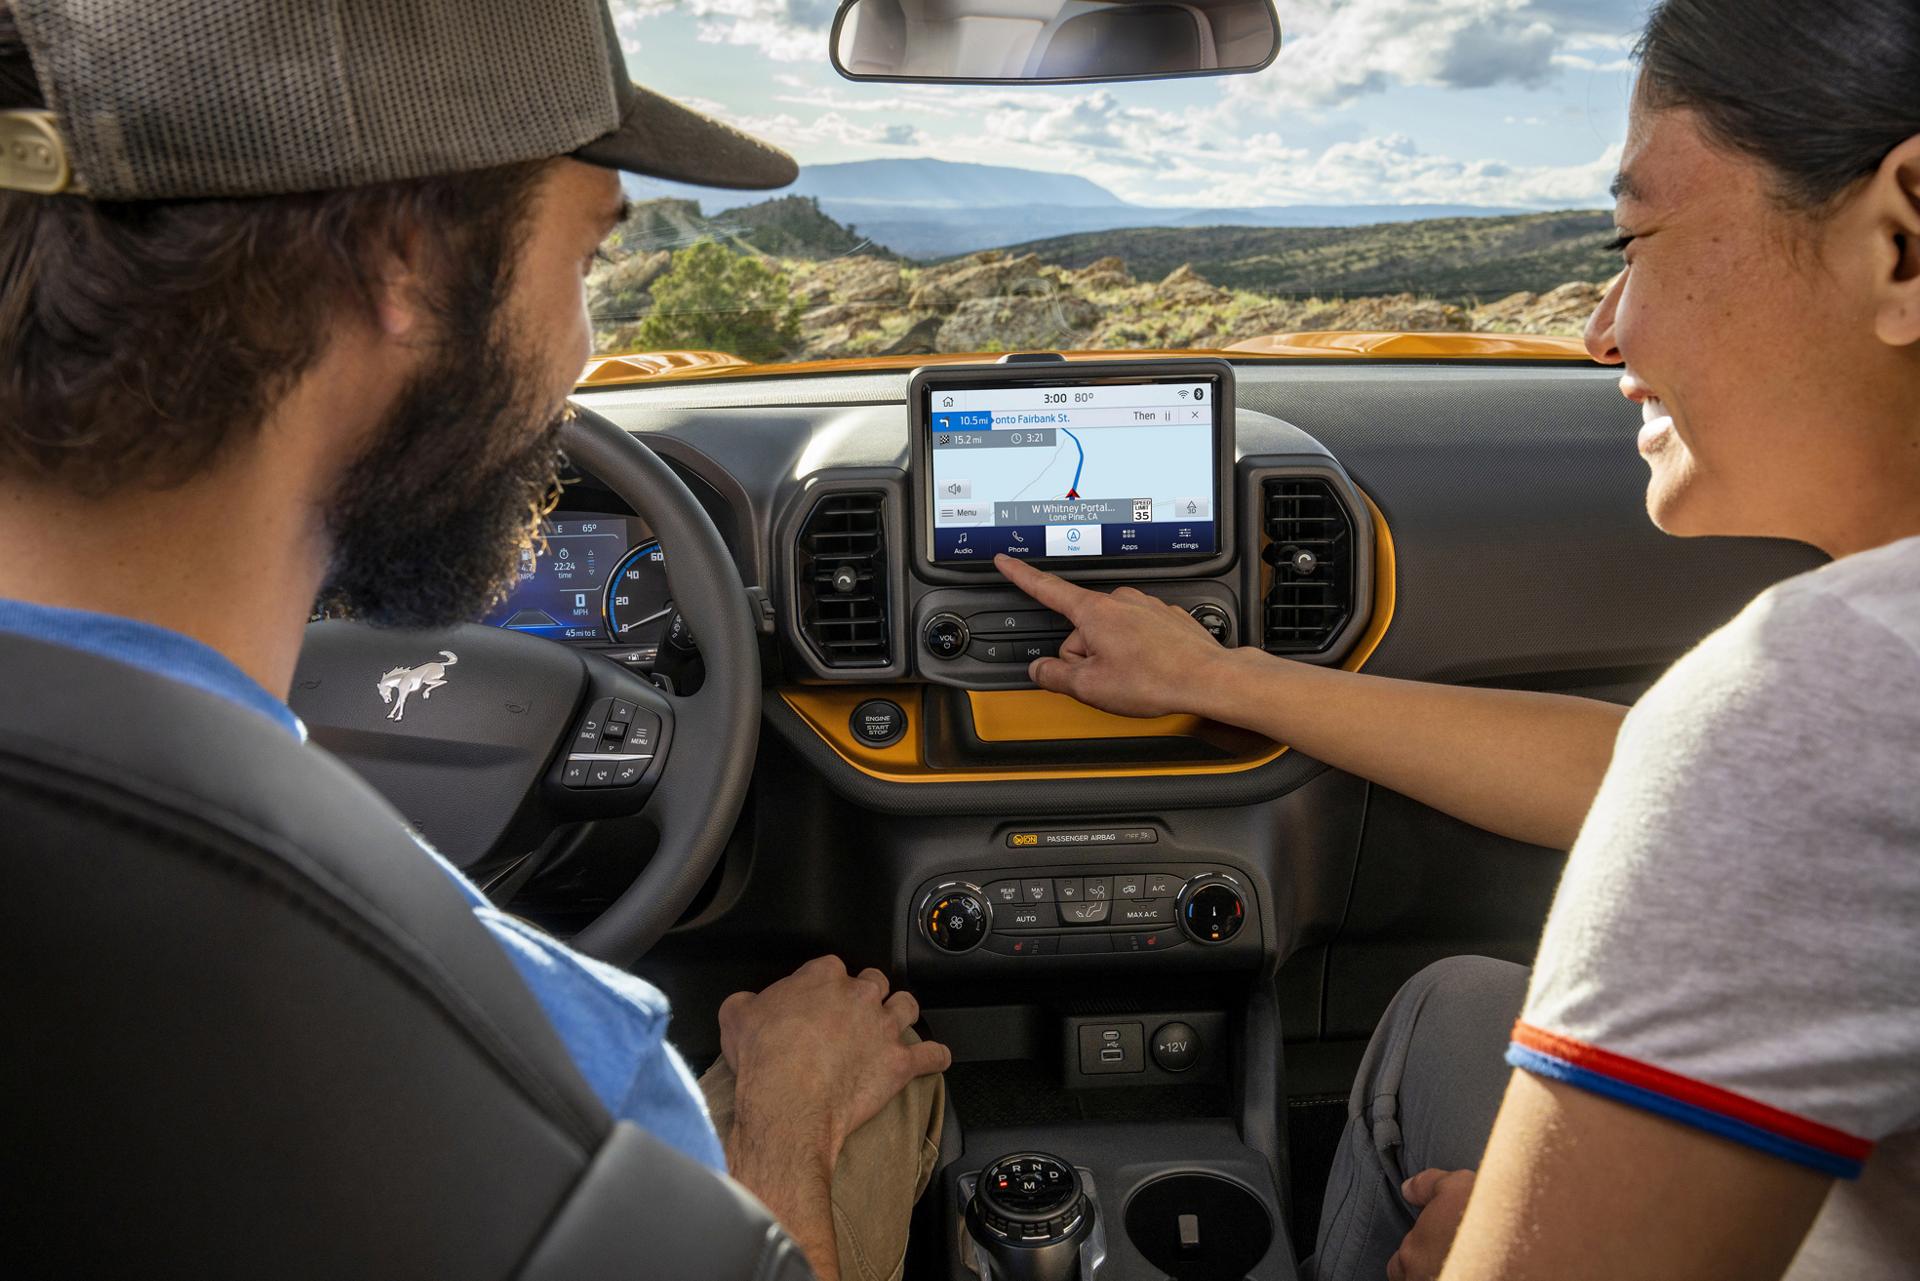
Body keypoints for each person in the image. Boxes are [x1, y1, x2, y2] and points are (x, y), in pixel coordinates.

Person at [0, 3, 946, 1279]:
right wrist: (788, 1122)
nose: (584, 349)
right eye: (585, 259)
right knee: (865, 1093)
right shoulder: (572, 1083)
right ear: (404, 262)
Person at [997, 0, 1920, 1276]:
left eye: (1634, 237)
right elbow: (1643, 780)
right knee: (1458, 1007)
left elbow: (1731, 784)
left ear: (1903, 242)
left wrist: (1498, 1242)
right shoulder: (1833, 729)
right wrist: (1221, 677)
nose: (1604, 329)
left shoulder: (1823, 700)